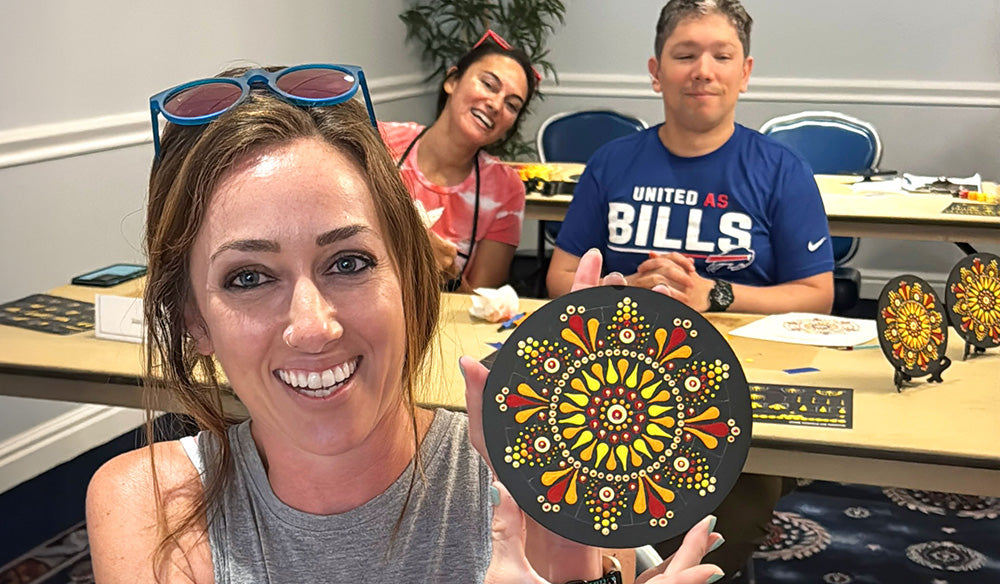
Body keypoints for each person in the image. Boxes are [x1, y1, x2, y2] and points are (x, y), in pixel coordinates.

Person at [85, 64, 725, 583]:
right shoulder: (147, 507)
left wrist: (568, 555)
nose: (313, 327)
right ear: (193, 319)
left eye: (349, 262)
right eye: (248, 277)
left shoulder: (548, 473)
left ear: (411, 280)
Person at [545, 0, 835, 579]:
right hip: (614, 378)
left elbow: (816, 294)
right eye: (685, 55)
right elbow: (559, 278)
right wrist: (623, 288)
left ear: (744, 72)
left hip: (734, 381)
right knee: (567, 506)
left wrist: (714, 294)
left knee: (730, 524)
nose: (703, 70)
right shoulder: (611, 163)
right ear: (656, 71)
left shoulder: (781, 169)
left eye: (721, 56)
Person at [380, 30, 539, 292]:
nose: (496, 105)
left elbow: (482, 304)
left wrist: (447, 273)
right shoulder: (382, 141)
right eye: (488, 85)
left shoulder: (505, 189)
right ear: (452, 81)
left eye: (512, 105)